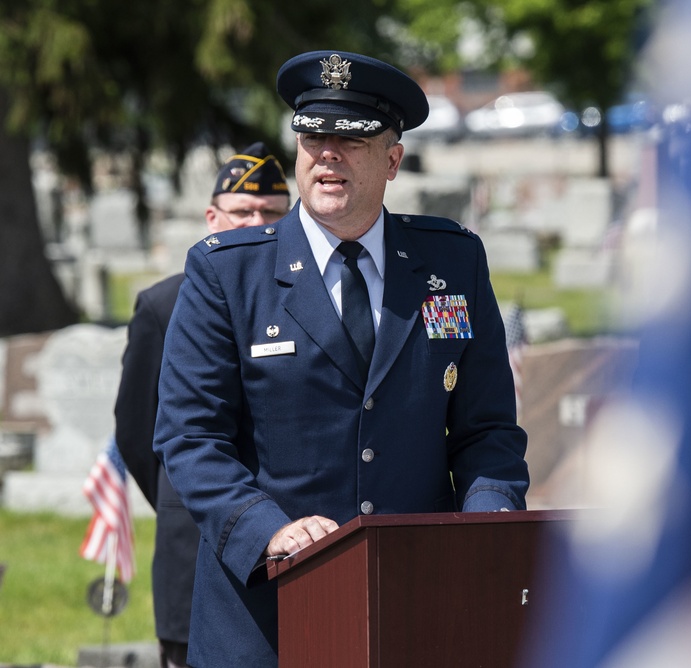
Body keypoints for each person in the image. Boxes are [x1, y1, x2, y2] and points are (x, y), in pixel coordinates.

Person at [152, 50, 530, 667]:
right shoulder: (228, 274)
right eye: (313, 136)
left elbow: (486, 430)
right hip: (266, 618)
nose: (328, 153)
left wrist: (482, 533)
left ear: (392, 160)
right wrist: (264, 527)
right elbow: (190, 437)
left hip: (418, 608)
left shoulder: (451, 263)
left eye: (350, 140)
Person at [115, 143, 290, 668]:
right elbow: (138, 434)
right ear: (212, 218)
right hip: (193, 540)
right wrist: (187, 496)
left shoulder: (302, 299)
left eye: (271, 213)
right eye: (242, 212)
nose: (255, 222)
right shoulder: (165, 305)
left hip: (280, 538)